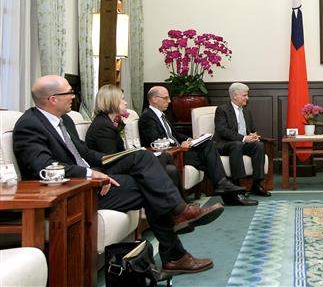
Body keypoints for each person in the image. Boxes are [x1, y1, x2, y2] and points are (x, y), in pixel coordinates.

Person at [12, 75, 223, 275]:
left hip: (92, 177)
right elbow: (44, 167)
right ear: (53, 99)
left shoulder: (64, 120)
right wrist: (90, 173)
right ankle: (176, 246)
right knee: (150, 187)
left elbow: (84, 152)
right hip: (74, 191)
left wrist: (115, 158)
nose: (73, 97)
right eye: (69, 93)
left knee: (144, 158)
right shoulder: (29, 125)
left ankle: (179, 228)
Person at [138, 86, 250, 204]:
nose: (169, 101)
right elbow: (156, 141)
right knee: (208, 158)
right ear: (154, 99)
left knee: (208, 144)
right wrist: (180, 146)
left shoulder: (161, 115)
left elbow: (174, 135)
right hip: (172, 155)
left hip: (180, 152)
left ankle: (224, 188)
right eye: (165, 98)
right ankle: (227, 191)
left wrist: (191, 139)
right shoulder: (147, 117)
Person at [86, 84, 183, 196]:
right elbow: (111, 159)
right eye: (122, 99)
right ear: (112, 102)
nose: (126, 103)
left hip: (117, 165)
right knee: (162, 159)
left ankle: (180, 204)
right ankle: (179, 205)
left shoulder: (107, 122)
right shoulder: (103, 125)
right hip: (109, 170)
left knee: (171, 169)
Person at [213, 83, 271, 198]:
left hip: (242, 143)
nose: (247, 98)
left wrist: (254, 135)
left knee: (258, 145)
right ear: (235, 96)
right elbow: (222, 130)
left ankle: (256, 185)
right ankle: (237, 185)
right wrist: (243, 138)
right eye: (244, 95)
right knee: (237, 145)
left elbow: (252, 130)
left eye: (247, 95)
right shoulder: (222, 109)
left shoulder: (246, 111)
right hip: (226, 144)